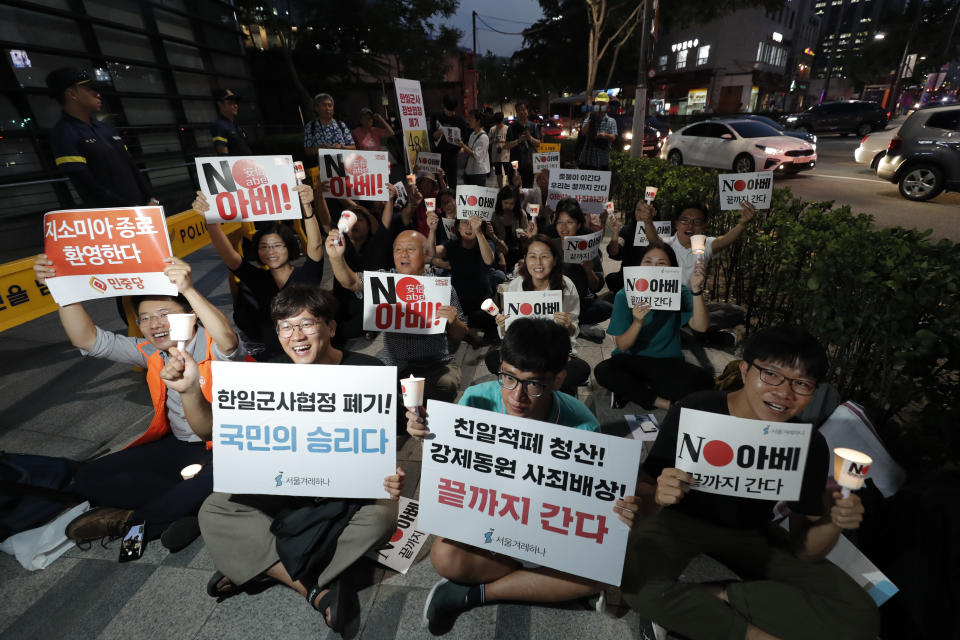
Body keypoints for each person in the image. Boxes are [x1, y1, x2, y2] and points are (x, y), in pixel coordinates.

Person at [620, 325, 880, 640]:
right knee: (631, 580)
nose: (784, 393)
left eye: (801, 384)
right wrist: (658, 496)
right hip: (679, 523)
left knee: (862, 616)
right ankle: (750, 632)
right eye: (771, 374)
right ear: (745, 370)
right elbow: (643, 498)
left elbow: (805, 550)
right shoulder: (696, 409)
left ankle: (714, 598)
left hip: (752, 533)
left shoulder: (807, 444)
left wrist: (835, 521)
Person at [406, 318, 642, 631]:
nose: (518, 396)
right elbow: (450, 477)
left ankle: (476, 594)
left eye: (533, 384)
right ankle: (554, 585)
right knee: (445, 557)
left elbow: (591, 503)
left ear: (558, 379)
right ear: (500, 367)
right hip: (497, 524)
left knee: (611, 568)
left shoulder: (582, 426)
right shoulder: (476, 401)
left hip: (549, 531)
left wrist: (621, 510)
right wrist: (428, 443)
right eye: (509, 378)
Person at [198, 283, 402, 634]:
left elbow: (386, 441)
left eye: (307, 323)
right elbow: (211, 432)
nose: (297, 335)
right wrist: (189, 390)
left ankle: (258, 565)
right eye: (285, 327)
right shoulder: (268, 374)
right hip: (284, 484)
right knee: (214, 510)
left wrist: (389, 471)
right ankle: (313, 589)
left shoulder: (369, 371)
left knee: (382, 517)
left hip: (343, 488)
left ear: (331, 328)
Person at [31, 254, 247, 549]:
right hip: (182, 445)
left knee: (224, 475)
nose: (153, 324)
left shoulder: (214, 344)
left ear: (190, 316)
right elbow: (87, 340)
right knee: (88, 478)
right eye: (144, 318)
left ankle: (133, 521)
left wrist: (188, 289)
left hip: (230, 447)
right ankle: (188, 506)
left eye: (164, 314)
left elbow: (229, 342)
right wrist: (62, 291)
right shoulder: (150, 351)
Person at [326, 229, 467, 404]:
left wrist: (454, 322)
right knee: (367, 390)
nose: (403, 255)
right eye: (398, 250)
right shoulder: (385, 281)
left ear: (426, 254)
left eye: (410, 249)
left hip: (435, 364)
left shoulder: (441, 288)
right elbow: (351, 282)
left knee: (445, 386)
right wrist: (336, 257)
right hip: (393, 361)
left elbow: (461, 333)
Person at [192, 184, 324, 359]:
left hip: (310, 349)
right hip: (274, 354)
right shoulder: (258, 278)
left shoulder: (307, 274)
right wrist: (211, 221)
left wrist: (307, 207)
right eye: (264, 247)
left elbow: (315, 245)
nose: (271, 251)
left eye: (277, 245)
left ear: (290, 247)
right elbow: (229, 256)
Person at [594, 244, 714, 410]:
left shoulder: (680, 292)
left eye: (661, 263)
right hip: (631, 360)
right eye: (648, 261)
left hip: (667, 362)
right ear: (639, 265)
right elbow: (622, 345)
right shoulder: (624, 295)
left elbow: (700, 327)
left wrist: (697, 291)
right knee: (603, 371)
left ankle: (633, 391)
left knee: (706, 380)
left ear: (671, 268)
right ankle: (660, 401)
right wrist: (637, 322)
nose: (653, 268)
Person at [484, 236, 589, 397]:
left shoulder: (566, 286)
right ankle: (545, 384)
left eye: (545, 256)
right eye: (532, 256)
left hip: (553, 352)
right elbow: (509, 334)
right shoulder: (515, 285)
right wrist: (503, 326)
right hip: (524, 352)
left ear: (554, 260)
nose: (538, 262)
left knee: (581, 370)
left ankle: (531, 382)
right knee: (492, 359)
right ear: (525, 259)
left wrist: (568, 325)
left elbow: (573, 330)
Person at [45, 67, 156, 208]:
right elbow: (87, 185)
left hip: (142, 212)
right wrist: (129, 209)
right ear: (72, 94)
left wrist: (152, 198)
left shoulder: (106, 128)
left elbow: (131, 167)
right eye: (89, 89)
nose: (98, 94)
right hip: (112, 220)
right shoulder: (64, 134)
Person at [329, 190, 397, 341]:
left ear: (369, 224)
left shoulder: (376, 245)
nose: (355, 223)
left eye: (360, 220)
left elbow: (384, 226)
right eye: (352, 220)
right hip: (343, 300)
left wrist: (390, 199)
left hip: (368, 302)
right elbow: (323, 221)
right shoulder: (340, 245)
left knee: (369, 317)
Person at [642, 200, 756, 288]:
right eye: (685, 220)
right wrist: (647, 222)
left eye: (697, 222)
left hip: (693, 304)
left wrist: (742, 224)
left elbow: (724, 240)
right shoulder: (667, 245)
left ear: (703, 227)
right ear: (676, 224)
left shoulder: (705, 245)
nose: (690, 225)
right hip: (666, 301)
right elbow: (654, 241)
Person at [553, 198, 611, 340]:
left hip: (580, 303)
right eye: (560, 222)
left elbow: (597, 286)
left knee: (607, 308)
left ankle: (575, 325)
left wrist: (588, 270)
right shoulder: (550, 246)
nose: (564, 227)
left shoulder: (588, 247)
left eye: (569, 222)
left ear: (578, 225)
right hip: (554, 302)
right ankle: (576, 327)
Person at [434, 217, 497, 340]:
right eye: (464, 223)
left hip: (482, 300)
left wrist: (479, 232)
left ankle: (469, 331)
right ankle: (469, 331)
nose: (469, 227)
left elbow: (489, 260)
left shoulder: (486, 243)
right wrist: (432, 231)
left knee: (494, 328)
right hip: (459, 302)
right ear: (457, 227)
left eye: (473, 224)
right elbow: (431, 253)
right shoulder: (452, 244)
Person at [430, 95, 468, 186]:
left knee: (452, 181)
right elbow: (432, 136)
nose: (451, 113)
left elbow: (465, 138)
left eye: (453, 110)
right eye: (449, 110)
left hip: (452, 154)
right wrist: (441, 131)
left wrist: (462, 148)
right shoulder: (436, 116)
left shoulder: (460, 120)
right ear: (443, 106)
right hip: (438, 154)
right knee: (439, 180)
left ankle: (452, 198)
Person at [304, 93, 356, 158]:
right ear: (316, 108)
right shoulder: (310, 126)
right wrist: (319, 148)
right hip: (320, 166)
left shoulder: (341, 125)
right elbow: (307, 151)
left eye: (330, 105)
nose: (327, 108)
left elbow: (353, 147)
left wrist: (342, 147)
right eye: (324, 105)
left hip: (343, 165)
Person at [577, 94, 617, 171]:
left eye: (603, 104)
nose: (601, 106)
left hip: (603, 160)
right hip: (587, 159)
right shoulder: (589, 119)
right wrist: (591, 118)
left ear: (607, 105)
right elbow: (583, 132)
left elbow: (613, 137)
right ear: (595, 105)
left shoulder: (611, 121)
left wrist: (603, 135)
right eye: (599, 104)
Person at [505, 101, 541, 187]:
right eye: (519, 110)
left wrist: (530, 138)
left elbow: (538, 144)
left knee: (528, 190)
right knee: (514, 190)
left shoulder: (534, 126)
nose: (522, 112)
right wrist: (519, 140)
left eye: (523, 109)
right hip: (515, 164)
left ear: (527, 111)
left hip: (529, 163)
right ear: (516, 113)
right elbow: (506, 145)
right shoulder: (512, 128)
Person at [210, 88, 252, 156]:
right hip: (237, 165)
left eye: (235, 103)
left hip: (247, 164)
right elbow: (224, 156)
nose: (235, 106)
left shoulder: (235, 124)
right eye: (230, 103)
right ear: (220, 104)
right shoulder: (219, 125)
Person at [459, 108, 490, 186]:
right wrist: (462, 149)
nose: (468, 121)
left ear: (478, 121)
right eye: (468, 119)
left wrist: (463, 146)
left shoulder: (483, 137)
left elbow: (477, 156)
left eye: (471, 119)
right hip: (470, 170)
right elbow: (470, 149)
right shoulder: (472, 134)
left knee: (478, 196)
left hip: (479, 172)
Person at [487, 112, 512, 187]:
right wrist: (494, 141)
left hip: (506, 154)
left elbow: (510, 142)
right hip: (495, 155)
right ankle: (501, 188)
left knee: (508, 172)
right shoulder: (492, 129)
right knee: (498, 173)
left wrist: (501, 141)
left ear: (502, 121)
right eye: (496, 123)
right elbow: (488, 141)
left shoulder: (507, 128)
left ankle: (509, 188)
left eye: (499, 123)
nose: (498, 125)